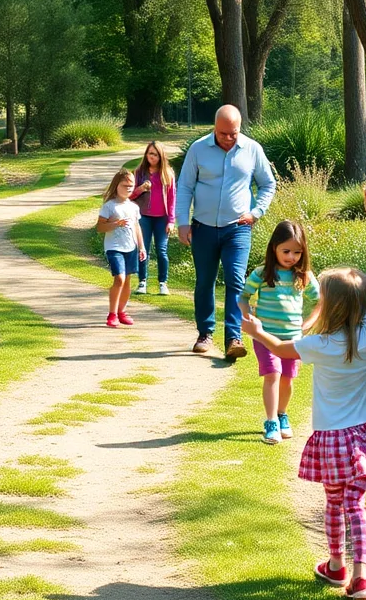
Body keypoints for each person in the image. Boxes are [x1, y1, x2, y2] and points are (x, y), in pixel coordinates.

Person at [242, 176, 366, 600]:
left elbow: (277, 345)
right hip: (364, 434)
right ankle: (362, 577)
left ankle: (335, 565)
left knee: (334, 505)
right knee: (357, 505)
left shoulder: (318, 345)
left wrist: (255, 329)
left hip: (330, 439)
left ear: (326, 304)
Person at [176, 104, 276, 361]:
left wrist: (256, 212)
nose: (229, 139)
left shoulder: (252, 149)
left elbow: (268, 184)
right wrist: (182, 223)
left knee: (235, 279)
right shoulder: (198, 149)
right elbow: (185, 186)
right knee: (205, 281)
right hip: (203, 227)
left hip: (238, 228)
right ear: (214, 128)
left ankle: (234, 337)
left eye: (234, 133)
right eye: (224, 134)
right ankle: (205, 334)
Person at [238, 220, 321, 445]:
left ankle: (282, 414)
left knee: (287, 378)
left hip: (293, 339)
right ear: (274, 247)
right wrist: (248, 317)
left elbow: (320, 301)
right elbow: (243, 296)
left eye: (297, 252)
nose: (291, 257)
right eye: (286, 251)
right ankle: (271, 420)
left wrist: (309, 323)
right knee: (272, 374)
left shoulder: (303, 276)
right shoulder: (262, 273)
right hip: (265, 336)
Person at [96, 168, 146, 328]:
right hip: (114, 247)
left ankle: (122, 312)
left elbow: (137, 227)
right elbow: (100, 227)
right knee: (119, 279)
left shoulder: (134, 207)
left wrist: (142, 247)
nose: (128, 189)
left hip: (131, 247)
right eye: (125, 185)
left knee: (127, 280)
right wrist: (115, 224)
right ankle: (112, 314)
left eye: (131, 186)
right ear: (117, 185)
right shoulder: (109, 206)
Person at [131, 141, 176, 296]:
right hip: (144, 217)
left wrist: (171, 220)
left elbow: (172, 199)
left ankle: (163, 283)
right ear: (146, 154)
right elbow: (130, 195)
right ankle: (142, 281)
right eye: (150, 153)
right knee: (143, 249)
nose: (152, 157)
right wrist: (141, 188)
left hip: (162, 218)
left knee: (161, 250)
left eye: (155, 154)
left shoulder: (167, 174)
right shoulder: (139, 172)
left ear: (161, 156)